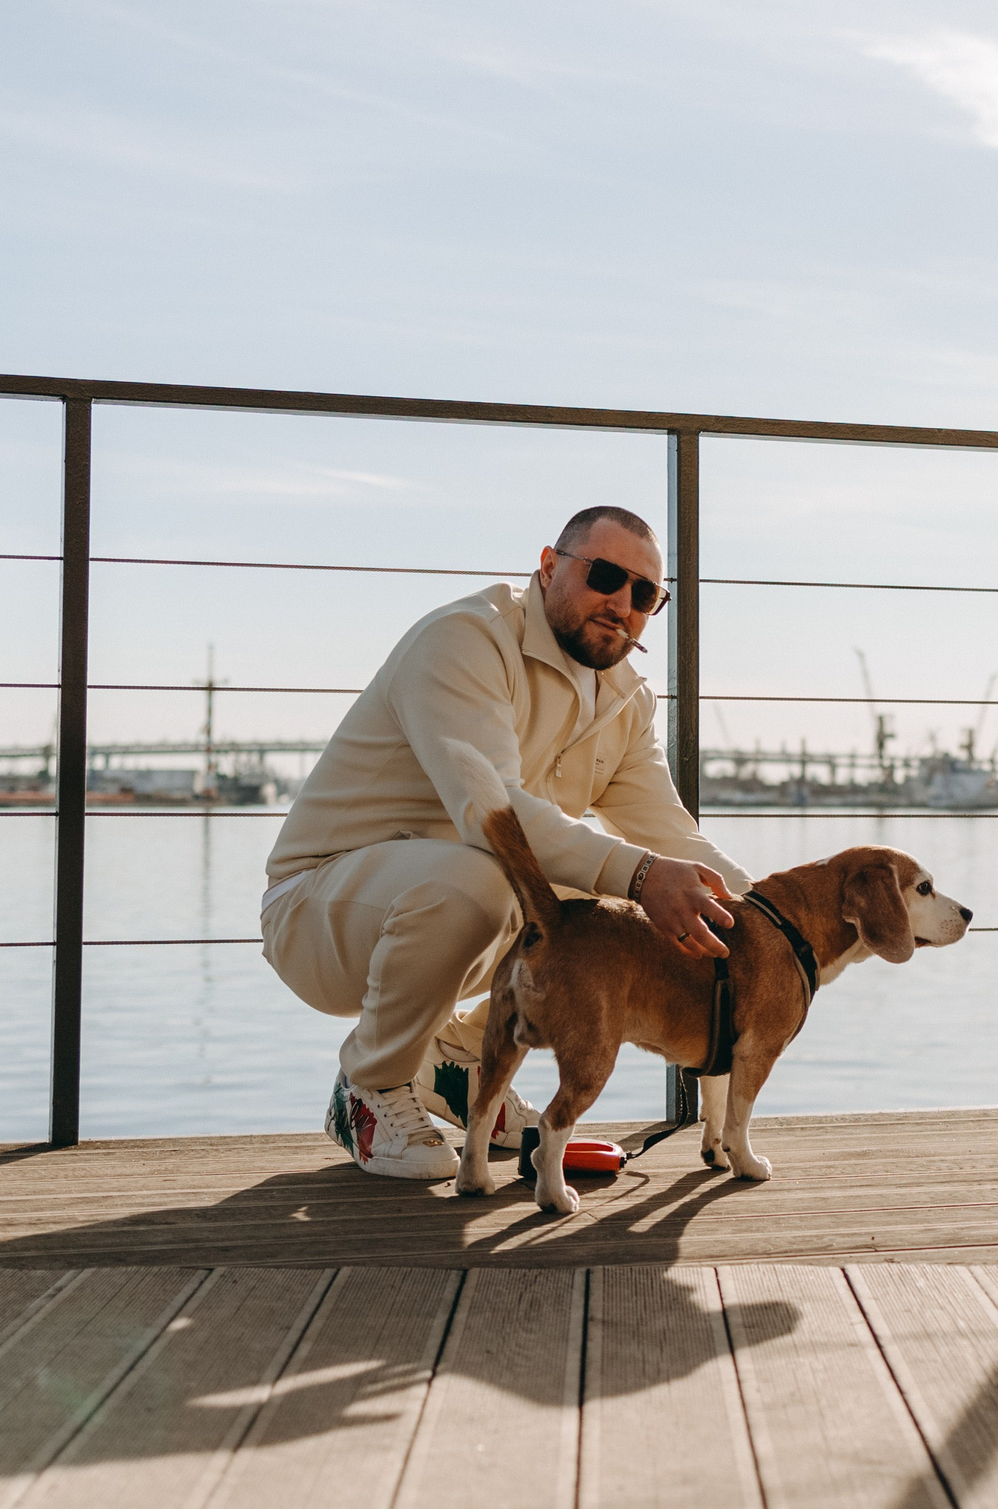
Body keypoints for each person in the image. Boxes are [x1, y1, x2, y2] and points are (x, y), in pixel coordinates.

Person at [258, 505, 750, 1179]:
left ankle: (455, 1060)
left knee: (608, 907)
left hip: (455, 899)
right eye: (605, 575)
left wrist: (777, 924)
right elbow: (495, 814)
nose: (622, 603)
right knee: (494, 878)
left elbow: (670, 835)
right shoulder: (465, 639)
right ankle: (368, 1085)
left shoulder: (626, 700)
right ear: (548, 566)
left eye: (644, 594)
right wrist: (642, 877)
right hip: (320, 908)